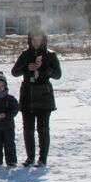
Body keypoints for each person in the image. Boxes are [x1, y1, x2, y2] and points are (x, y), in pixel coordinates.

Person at [11, 30, 62, 167]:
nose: (36, 42)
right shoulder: (25, 54)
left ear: (43, 40)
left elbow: (58, 75)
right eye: (33, 39)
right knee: (28, 129)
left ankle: (42, 159)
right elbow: (14, 72)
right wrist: (26, 68)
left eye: (39, 39)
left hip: (44, 95)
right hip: (27, 94)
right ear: (30, 40)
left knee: (43, 129)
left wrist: (45, 69)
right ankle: (30, 158)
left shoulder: (50, 54)